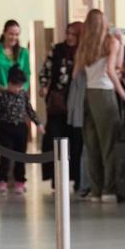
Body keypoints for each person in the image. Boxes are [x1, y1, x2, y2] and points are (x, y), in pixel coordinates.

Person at [74, 9, 125, 202]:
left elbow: (77, 73)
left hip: (88, 94)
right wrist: (123, 93)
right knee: (109, 144)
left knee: (92, 145)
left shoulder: (85, 45)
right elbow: (112, 69)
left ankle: (95, 190)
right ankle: (109, 189)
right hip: (105, 94)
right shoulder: (110, 42)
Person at [39, 21, 83, 190]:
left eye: (74, 34)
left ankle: (78, 178)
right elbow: (46, 70)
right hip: (57, 102)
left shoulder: (83, 51)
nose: (70, 37)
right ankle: (57, 177)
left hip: (76, 101)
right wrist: (43, 85)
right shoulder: (57, 49)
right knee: (55, 139)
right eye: (68, 33)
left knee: (77, 140)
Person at [0, 66, 43, 194]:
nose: (18, 89)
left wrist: (38, 124)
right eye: (16, 86)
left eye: (20, 86)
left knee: (21, 156)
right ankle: (2, 181)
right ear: (9, 83)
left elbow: (30, 110)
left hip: (20, 127)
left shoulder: (23, 95)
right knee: (5, 155)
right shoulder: (1, 95)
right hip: (5, 128)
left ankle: (20, 181)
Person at [0, 20, 29, 105]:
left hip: (16, 101)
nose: (13, 37)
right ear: (4, 33)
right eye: (11, 34)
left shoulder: (23, 53)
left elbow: (27, 75)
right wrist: (1, 88)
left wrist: (19, 90)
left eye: (16, 35)